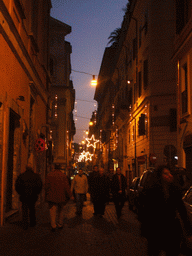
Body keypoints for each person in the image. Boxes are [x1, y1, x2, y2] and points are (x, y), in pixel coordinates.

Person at [139, 165, 192, 256]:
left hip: (171, 229)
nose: (169, 175)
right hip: (156, 229)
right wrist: (145, 230)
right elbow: (145, 212)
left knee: (173, 251)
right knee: (154, 251)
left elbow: (182, 210)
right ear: (160, 176)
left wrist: (188, 231)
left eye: (170, 173)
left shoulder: (174, 190)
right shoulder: (152, 190)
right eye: (165, 173)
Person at [45, 163, 73, 232]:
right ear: (60, 168)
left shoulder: (49, 175)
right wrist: (70, 195)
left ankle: (53, 225)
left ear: (54, 167)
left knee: (52, 211)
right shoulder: (63, 176)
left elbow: (46, 186)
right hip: (61, 196)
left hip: (52, 196)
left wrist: (46, 194)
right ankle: (60, 224)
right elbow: (66, 187)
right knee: (61, 211)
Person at [15, 165, 43, 230]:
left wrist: (20, 193)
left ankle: (25, 223)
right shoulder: (36, 176)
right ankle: (32, 222)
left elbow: (17, 185)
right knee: (32, 209)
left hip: (24, 196)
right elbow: (39, 186)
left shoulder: (21, 176)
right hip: (33, 196)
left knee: (24, 210)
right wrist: (37, 193)